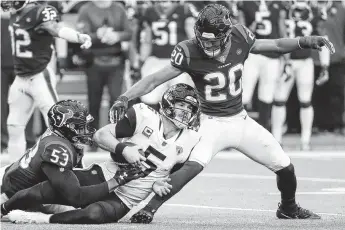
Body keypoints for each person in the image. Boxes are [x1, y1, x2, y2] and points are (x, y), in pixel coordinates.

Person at [109, 4, 335, 222]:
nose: (208, 46)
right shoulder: (188, 51)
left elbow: (275, 44)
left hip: (241, 120)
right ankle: (150, 209)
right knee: (191, 167)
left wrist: (304, 42)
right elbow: (154, 79)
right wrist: (125, 97)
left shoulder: (240, 37)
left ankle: (288, 208)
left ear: (227, 34)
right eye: (204, 39)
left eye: (214, 40)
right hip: (210, 122)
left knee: (285, 167)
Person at [5, 84, 201, 224]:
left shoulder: (191, 138)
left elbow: (172, 177)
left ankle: (40, 219)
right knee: (46, 190)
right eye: (181, 105)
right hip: (104, 174)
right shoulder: (144, 115)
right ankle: (3, 208)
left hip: (127, 198)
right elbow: (101, 135)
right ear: (167, 103)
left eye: (189, 108)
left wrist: (158, 187)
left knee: (94, 215)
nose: (185, 112)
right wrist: (124, 149)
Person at [0, 100, 143, 216]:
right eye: (80, 127)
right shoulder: (57, 149)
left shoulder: (60, 135)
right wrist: (117, 180)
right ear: (66, 128)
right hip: (11, 193)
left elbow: (77, 174)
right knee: (81, 211)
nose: (86, 130)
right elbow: (76, 196)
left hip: (12, 176)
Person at [1, 0, 92, 162]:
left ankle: (77, 164)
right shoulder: (14, 14)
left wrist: (77, 37)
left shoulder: (40, 12)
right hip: (21, 78)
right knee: (14, 126)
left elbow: (55, 29)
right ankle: (14, 171)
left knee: (58, 124)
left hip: (39, 76)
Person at [271, 0, 331, 150]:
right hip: (287, 60)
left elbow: (323, 39)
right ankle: (277, 138)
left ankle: (305, 140)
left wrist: (325, 66)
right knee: (279, 100)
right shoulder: (283, 8)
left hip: (304, 61)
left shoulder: (310, 11)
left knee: (304, 101)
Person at [77, 0, 132, 137]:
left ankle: (113, 134)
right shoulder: (86, 9)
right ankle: (93, 135)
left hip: (116, 60)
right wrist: (97, 35)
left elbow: (129, 32)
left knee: (116, 99)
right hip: (94, 61)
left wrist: (117, 36)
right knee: (94, 100)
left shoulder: (118, 8)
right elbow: (81, 35)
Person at [239, 0, 287, 131]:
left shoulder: (276, 4)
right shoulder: (247, 4)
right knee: (246, 95)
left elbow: (281, 29)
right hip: (256, 54)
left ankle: (261, 132)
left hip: (266, 55)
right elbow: (241, 31)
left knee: (264, 95)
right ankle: (238, 133)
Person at [138, 0, 195, 110]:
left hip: (171, 62)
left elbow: (146, 40)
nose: (164, 5)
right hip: (166, 61)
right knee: (153, 100)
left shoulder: (183, 9)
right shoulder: (184, 8)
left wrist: (141, 60)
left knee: (178, 101)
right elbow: (147, 40)